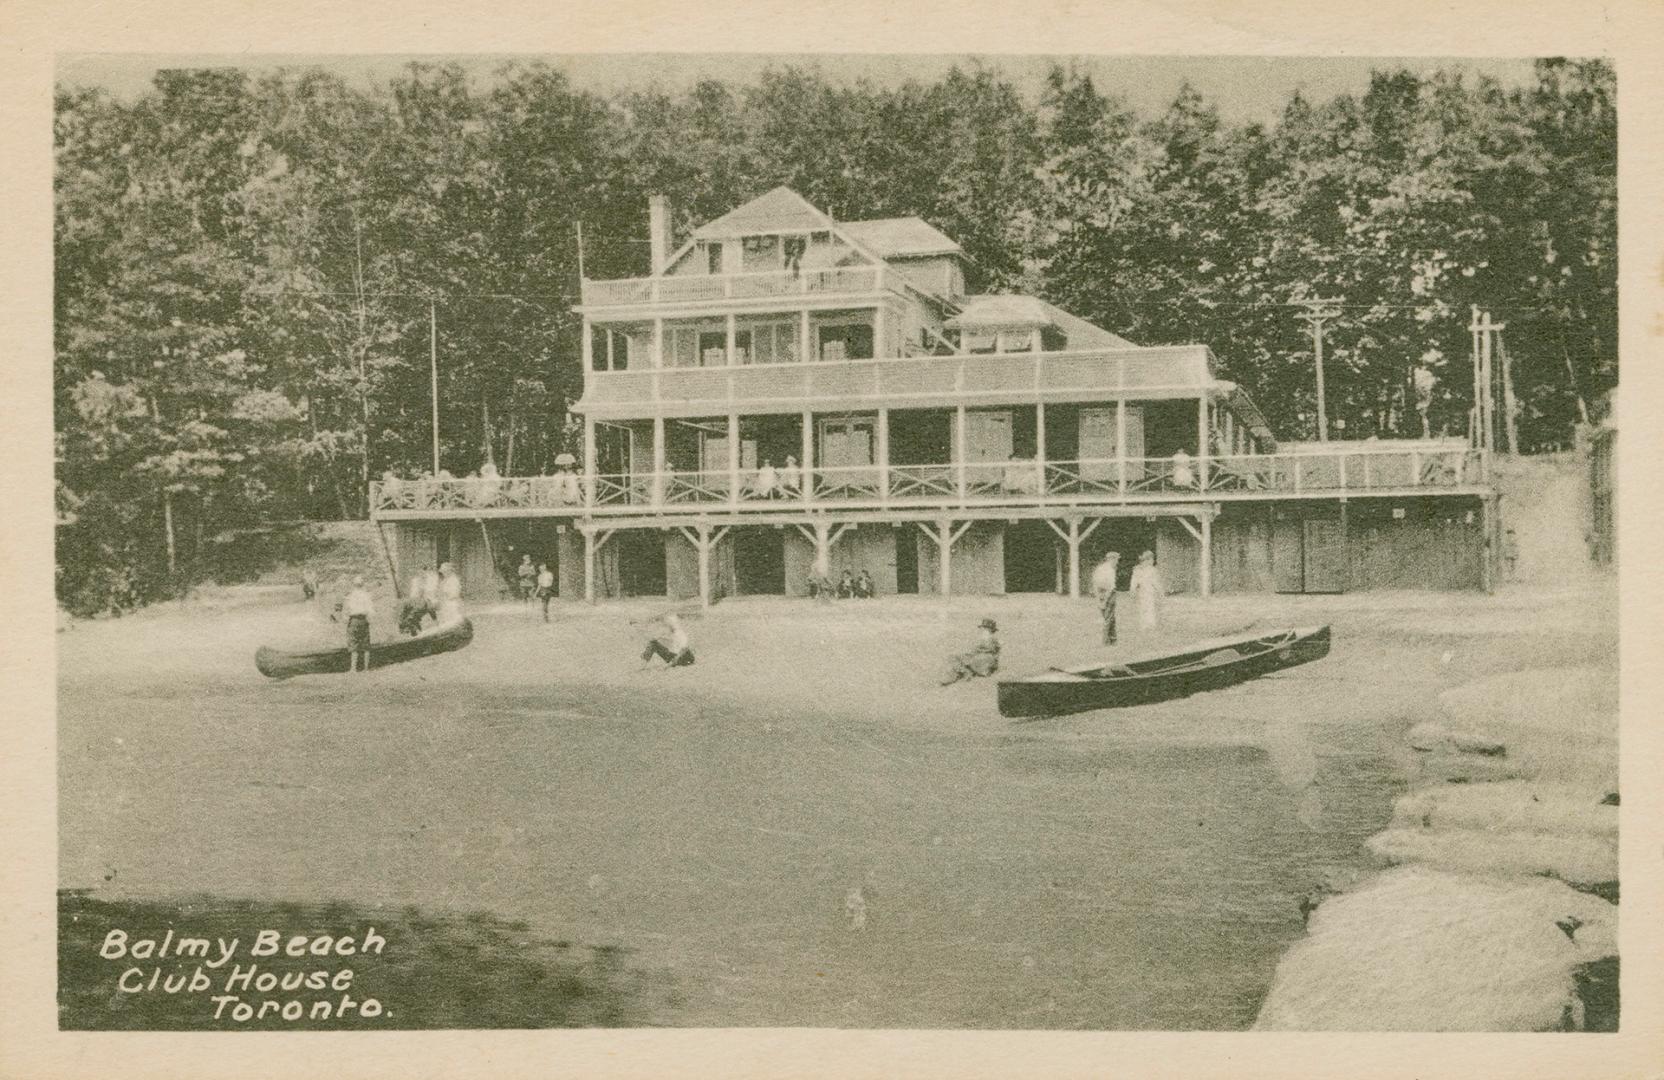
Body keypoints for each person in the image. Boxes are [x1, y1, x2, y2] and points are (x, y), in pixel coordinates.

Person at [942, 618, 1001, 685]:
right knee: (959, 661)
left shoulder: (988, 638)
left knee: (953, 657)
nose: (982, 630)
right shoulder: (991, 639)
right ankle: (955, 677)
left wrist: (970, 654)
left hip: (982, 663)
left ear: (988, 629)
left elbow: (980, 650)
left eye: (984, 628)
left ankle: (965, 673)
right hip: (986, 665)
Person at [343, 575, 374, 673]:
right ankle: (366, 668)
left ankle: (353, 669)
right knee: (366, 644)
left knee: (353, 644)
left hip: (354, 620)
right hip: (364, 620)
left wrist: (346, 620)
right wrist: (369, 619)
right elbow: (371, 610)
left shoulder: (350, 596)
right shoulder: (367, 595)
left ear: (353, 585)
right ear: (362, 584)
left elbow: (347, 610)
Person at [1090, 551, 1122, 645]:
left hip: (1100, 593)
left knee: (1109, 617)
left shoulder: (1100, 568)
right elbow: (1111, 587)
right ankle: (1105, 641)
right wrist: (1105, 601)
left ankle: (1113, 639)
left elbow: (1095, 583)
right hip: (1109, 594)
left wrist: (1098, 599)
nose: (1117, 562)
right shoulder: (1110, 570)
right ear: (1111, 559)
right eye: (1116, 559)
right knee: (1108, 618)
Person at [1129, 550, 1164, 631]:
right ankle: (1148, 625)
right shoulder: (1147, 570)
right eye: (1152, 559)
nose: (1153, 561)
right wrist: (1160, 591)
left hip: (1146, 591)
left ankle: (1147, 625)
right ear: (1148, 560)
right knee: (1147, 607)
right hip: (1146, 590)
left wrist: (1132, 589)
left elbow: (1134, 581)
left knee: (1146, 607)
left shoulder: (1142, 569)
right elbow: (1155, 582)